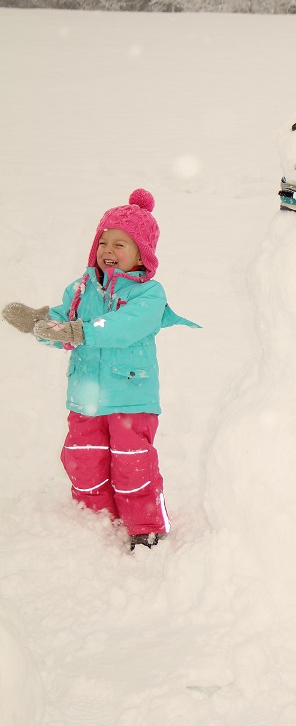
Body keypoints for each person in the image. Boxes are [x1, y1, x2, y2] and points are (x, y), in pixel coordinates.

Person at [2, 189, 200, 551]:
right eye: (103, 242)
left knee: (132, 464)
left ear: (143, 254)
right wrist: (41, 323)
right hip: (85, 398)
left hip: (130, 398)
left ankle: (145, 525)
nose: (108, 250)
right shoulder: (81, 288)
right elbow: (66, 325)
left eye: (120, 244)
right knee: (82, 460)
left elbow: (125, 327)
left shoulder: (149, 295)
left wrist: (81, 332)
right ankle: (96, 520)